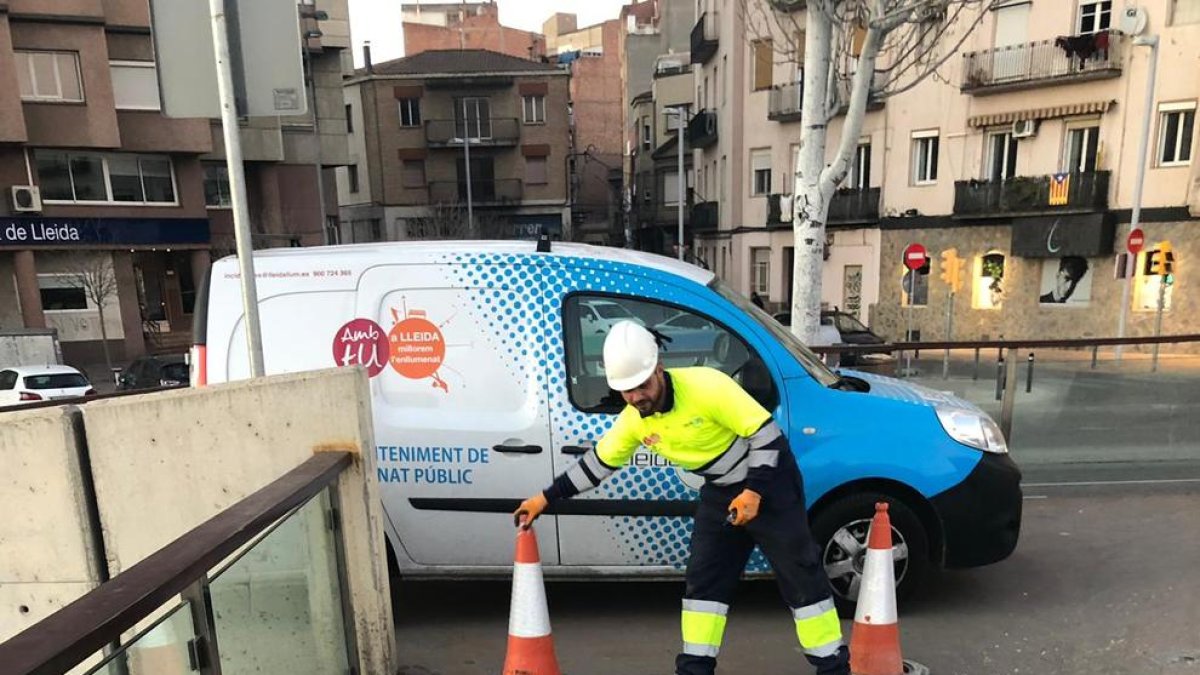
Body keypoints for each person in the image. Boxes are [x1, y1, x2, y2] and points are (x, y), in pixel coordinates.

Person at [514, 321, 850, 675]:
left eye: (642, 385)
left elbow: (769, 437)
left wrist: (755, 491)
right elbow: (598, 464)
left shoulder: (707, 387)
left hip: (771, 485)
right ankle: (694, 669)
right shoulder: (634, 420)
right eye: (626, 390)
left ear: (659, 368)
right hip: (721, 492)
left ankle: (833, 667)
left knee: (801, 576)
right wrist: (544, 498)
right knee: (704, 582)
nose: (636, 397)